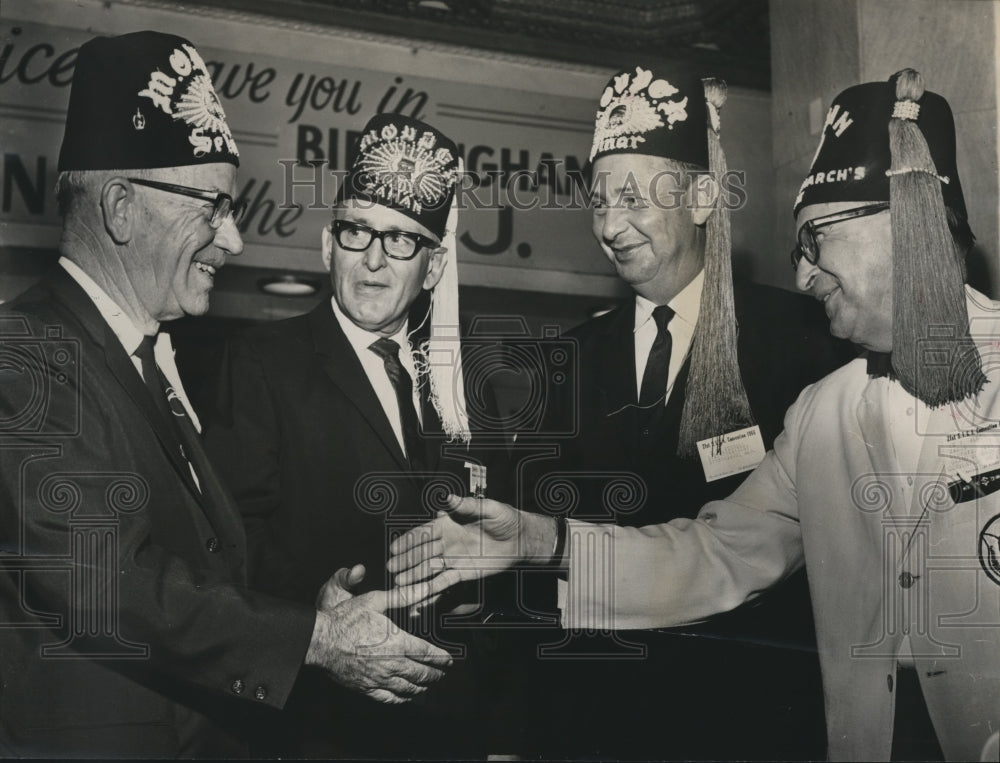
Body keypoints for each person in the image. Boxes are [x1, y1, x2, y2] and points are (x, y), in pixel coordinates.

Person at [389, 69, 1000, 762]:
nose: (802, 276)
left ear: (904, 224)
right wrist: (547, 544)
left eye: (815, 243)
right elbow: (712, 555)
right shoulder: (822, 416)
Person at [0, 32, 450, 758]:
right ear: (120, 206)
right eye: (213, 207)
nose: (234, 239)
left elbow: (198, 569)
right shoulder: (23, 352)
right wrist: (315, 638)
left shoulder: (143, 359)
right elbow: (103, 579)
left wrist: (305, 613)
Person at [499, 66, 852, 759]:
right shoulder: (557, 365)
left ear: (701, 197)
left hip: (754, 725)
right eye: (598, 200)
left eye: (632, 197)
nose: (608, 224)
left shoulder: (804, 340)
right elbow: (529, 588)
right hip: (593, 727)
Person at [202, 113, 510, 757]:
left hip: (451, 721)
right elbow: (230, 540)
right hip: (321, 722)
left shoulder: (467, 383)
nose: (373, 260)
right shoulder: (263, 362)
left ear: (433, 267)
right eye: (357, 232)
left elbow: (502, 552)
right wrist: (314, 611)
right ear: (326, 245)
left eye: (401, 241)